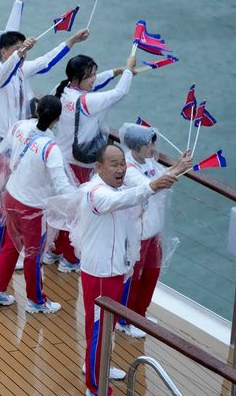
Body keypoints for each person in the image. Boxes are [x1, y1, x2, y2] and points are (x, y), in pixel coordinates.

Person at [72, 144, 177, 396]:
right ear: (98, 167)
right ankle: (95, 387)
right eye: (114, 164)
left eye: (122, 163)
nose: (120, 169)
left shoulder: (115, 188)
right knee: (98, 328)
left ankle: (99, 366)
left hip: (115, 270)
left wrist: (173, 171)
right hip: (99, 274)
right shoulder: (96, 193)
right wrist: (153, 187)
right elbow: (122, 199)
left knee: (105, 326)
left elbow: (131, 201)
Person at [0, 27, 89, 265]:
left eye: (24, 48)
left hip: (12, 146)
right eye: (17, 48)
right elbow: (1, 78)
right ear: (3, 51)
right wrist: (19, 54)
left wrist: (70, 41)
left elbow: (46, 62)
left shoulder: (19, 70)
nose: (24, 53)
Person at [0, 96, 75, 313]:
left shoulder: (19, 126)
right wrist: (81, 200)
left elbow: (5, 154)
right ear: (57, 119)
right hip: (32, 206)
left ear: (36, 109)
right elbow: (62, 185)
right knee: (33, 254)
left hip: (12, 194)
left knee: (11, 245)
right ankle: (36, 300)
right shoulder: (50, 145)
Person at [50, 53, 136, 273]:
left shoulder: (62, 91)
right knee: (79, 213)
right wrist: (127, 69)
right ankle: (70, 259)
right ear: (78, 78)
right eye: (91, 76)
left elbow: (98, 85)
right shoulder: (87, 101)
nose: (94, 79)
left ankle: (54, 251)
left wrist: (114, 72)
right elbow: (119, 93)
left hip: (64, 157)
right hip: (82, 163)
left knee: (66, 208)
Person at [116, 123, 192, 338]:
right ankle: (124, 319)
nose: (153, 148)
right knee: (134, 277)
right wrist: (178, 168)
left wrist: (178, 165)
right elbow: (152, 186)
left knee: (152, 272)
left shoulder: (148, 161)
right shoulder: (128, 169)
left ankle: (140, 313)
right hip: (137, 233)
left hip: (153, 230)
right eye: (149, 145)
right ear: (138, 147)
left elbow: (164, 174)